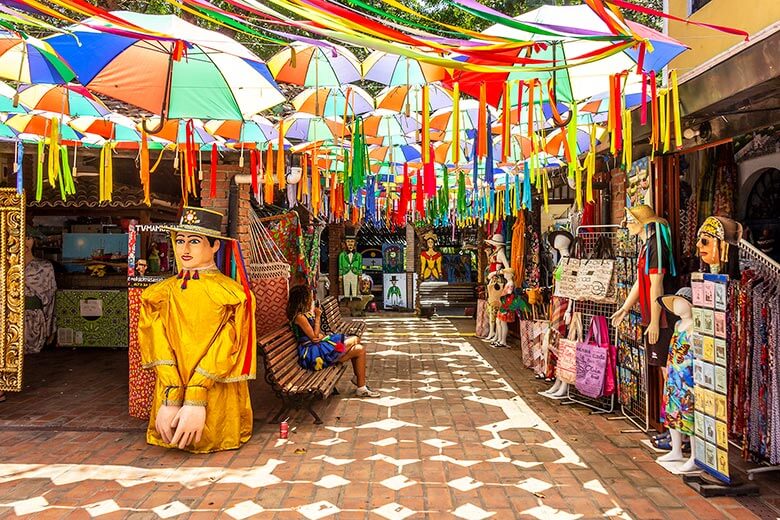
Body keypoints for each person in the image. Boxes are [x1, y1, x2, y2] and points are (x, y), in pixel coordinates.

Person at [139, 207, 256, 453]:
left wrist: (195, 396)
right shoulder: (158, 295)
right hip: (172, 391)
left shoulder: (233, 295)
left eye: (194, 241)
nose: (185, 249)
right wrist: (171, 397)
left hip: (212, 394)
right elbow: (156, 341)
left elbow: (228, 346)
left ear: (215, 246)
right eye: (180, 241)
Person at [286, 284, 380, 398]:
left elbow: (316, 335)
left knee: (360, 349)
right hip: (313, 354)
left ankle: (361, 386)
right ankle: (339, 355)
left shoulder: (306, 314)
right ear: (303, 299)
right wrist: (318, 317)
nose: (312, 299)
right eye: (310, 297)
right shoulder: (299, 317)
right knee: (355, 339)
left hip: (319, 349)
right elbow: (314, 337)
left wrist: (318, 330)